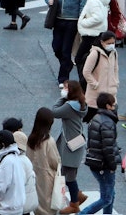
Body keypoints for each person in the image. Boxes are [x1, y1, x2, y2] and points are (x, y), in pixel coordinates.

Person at [47, 0, 87, 85]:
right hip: (58, 19)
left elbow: (82, 3)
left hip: (72, 21)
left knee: (66, 50)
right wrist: (49, 0)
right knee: (56, 47)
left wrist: (80, 19)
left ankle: (63, 78)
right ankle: (67, 64)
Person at [54, 80, 88, 214]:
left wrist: (61, 98)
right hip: (75, 142)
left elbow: (54, 112)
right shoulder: (79, 104)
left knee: (69, 176)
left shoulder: (69, 106)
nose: (64, 89)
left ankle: (74, 204)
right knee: (66, 172)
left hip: (70, 145)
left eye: (66, 88)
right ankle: (78, 196)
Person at [27, 108, 61, 215]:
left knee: (37, 205)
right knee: (48, 208)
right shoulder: (48, 141)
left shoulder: (31, 139)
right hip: (47, 179)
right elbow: (55, 162)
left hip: (34, 177)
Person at [0, 130, 27, 215]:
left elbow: (1, 187)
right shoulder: (16, 158)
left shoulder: (7, 161)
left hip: (7, 209)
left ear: (3, 145)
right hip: (17, 207)